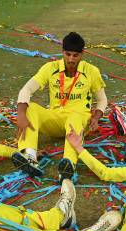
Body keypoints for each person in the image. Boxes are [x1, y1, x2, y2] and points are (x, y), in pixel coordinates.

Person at [14, 32, 108, 182]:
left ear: (82, 54)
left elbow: (102, 100)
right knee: (29, 108)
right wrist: (21, 115)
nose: (71, 59)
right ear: (62, 52)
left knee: (75, 117)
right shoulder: (50, 68)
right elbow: (26, 90)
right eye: (67, 54)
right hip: (56, 119)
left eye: (75, 55)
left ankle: (68, 165)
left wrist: (96, 118)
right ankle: (29, 156)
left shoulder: (91, 71)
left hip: (79, 120)